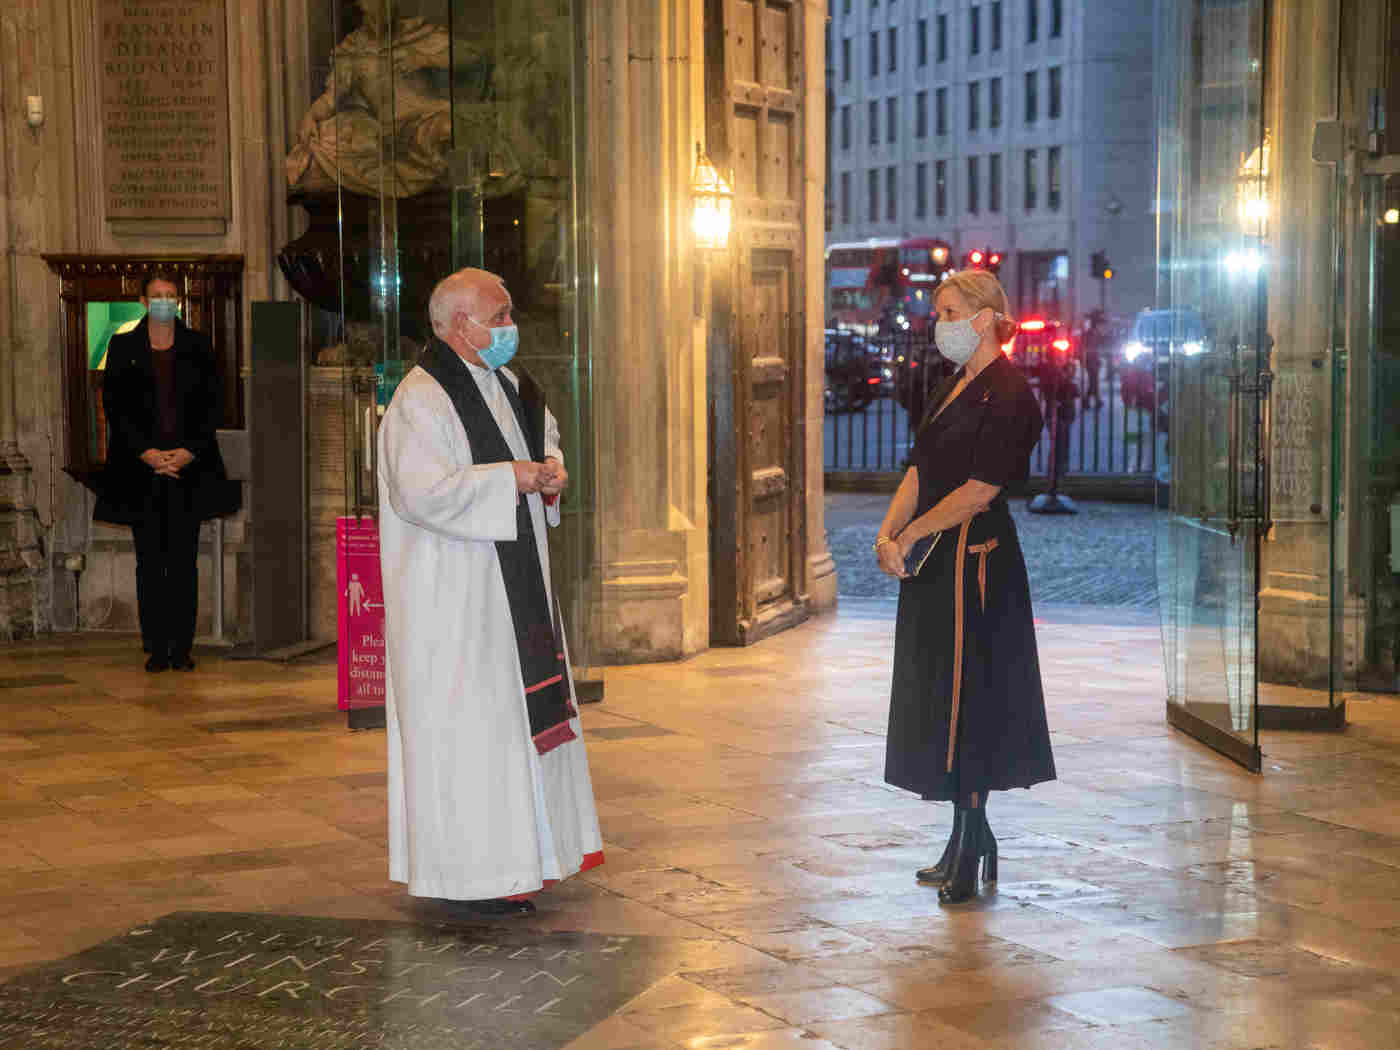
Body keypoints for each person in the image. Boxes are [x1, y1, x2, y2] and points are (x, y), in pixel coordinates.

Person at [377, 267, 603, 916]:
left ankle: (527, 860)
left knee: (514, 727)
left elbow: (543, 444)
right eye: (498, 317)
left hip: (513, 593)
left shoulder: (511, 384)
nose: (510, 328)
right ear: (458, 325)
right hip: (456, 602)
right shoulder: (421, 400)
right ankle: (473, 875)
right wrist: (514, 479)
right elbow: (420, 494)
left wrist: (550, 471)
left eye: (508, 315)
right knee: (472, 732)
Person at [875, 270, 1056, 903]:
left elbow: (980, 491)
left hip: (978, 564)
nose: (939, 325)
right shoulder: (950, 385)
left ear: (983, 319)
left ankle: (971, 842)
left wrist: (911, 535)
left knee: (973, 702)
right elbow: (919, 469)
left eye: (949, 312)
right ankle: (966, 836)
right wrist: (888, 534)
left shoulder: (1012, 394)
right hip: (935, 561)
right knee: (938, 700)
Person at [95, 270, 239, 673]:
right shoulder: (122, 346)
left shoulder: (198, 345)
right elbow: (115, 407)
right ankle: (157, 647)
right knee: (149, 562)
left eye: (171, 294)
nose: (164, 301)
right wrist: (147, 453)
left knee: (183, 563)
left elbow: (213, 404)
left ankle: (181, 647)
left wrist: (187, 452)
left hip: (187, 469)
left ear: (179, 301)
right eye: (156, 295)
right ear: (143, 302)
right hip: (142, 471)